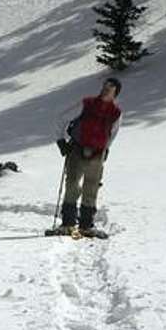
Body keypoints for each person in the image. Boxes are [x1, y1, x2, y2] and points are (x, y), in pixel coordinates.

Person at [54, 77, 123, 234]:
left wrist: (105, 150)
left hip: (97, 153)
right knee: (72, 184)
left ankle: (86, 225)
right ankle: (68, 224)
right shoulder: (87, 103)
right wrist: (61, 141)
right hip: (77, 149)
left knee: (91, 188)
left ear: (115, 93)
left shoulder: (116, 113)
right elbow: (61, 119)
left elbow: (112, 133)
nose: (106, 89)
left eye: (110, 88)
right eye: (105, 86)